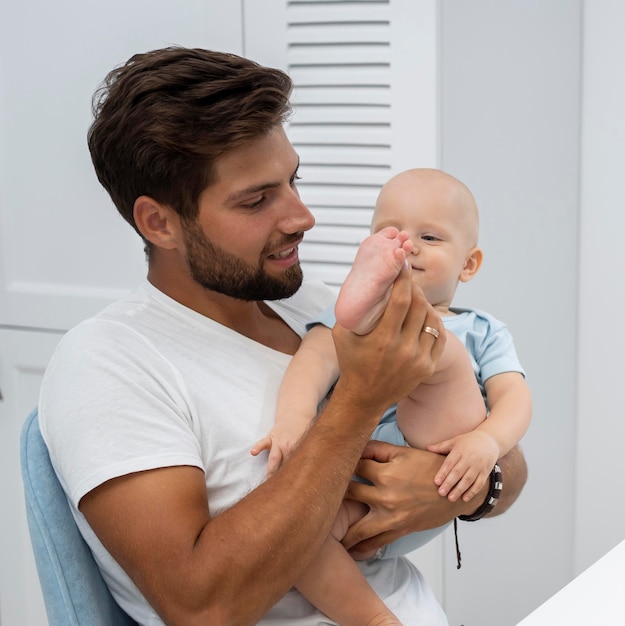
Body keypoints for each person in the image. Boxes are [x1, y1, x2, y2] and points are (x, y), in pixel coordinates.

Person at [37, 48, 528, 626]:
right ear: (159, 222)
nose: (303, 216)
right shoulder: (108, 363)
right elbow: (202, 607)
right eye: (256, 199)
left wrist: (468, 484)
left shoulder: (317, 304)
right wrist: (360, 400)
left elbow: (511, 467)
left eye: (293, 181)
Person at [252, 168, 532, 625]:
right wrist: (293, 420)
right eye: (391, 233)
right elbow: (314, 361)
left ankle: (432, 350)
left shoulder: (483, 330)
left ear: (469, 264)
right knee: (301, 543)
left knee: (445, 363)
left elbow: (515, 400)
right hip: (355, 472)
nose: (409, 245)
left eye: (430, 236)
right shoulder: (348, 317)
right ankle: (376, 620)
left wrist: (488, 443)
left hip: (438, 449)